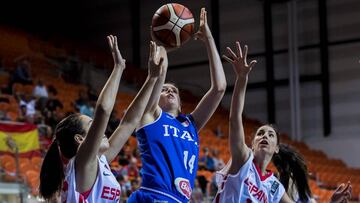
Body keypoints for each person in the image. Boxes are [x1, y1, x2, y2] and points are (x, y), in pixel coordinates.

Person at [213, 41, 352, 203]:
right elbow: (235, 119)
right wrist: (241, 79)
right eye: (260, 133)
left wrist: (332, 202)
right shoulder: (244, 159)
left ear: (276, 148)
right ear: (252, 144)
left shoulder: (274, 187)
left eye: (271, 135)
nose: (265, 136)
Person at [39, 35, 165, 202]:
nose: (102, 130)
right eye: (92, 125)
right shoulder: (82, 163)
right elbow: (104, 110)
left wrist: (152, 78)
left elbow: (129, 122)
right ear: (80, 139)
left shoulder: (99, 162)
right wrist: (118, 68)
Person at [127, 7, 227, 203]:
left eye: (174, 90)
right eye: (164, 89)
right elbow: (158, 72)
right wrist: (162, 44)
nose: (170, 91)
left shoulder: (190, 125)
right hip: (154, 196)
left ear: (181, 105)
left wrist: (209, 40)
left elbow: (219, 88)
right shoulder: (150, 116)